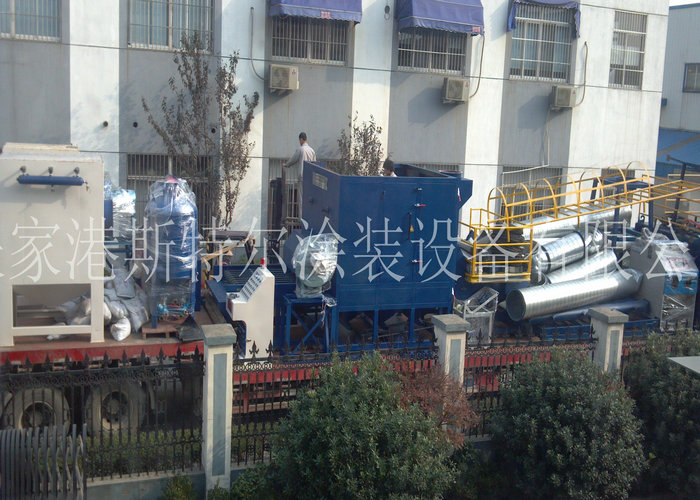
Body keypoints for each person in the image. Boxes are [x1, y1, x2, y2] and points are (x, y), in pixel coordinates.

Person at [283, 132, 316, 222]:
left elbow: (293, 159)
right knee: (309, 198)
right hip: (310, 178)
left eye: (299, 140)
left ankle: (301, 218)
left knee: (301, 198)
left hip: (302, 176)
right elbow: (315, 164)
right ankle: (310, 217)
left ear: (301, 139)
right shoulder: (312, 151)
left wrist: (286, 165)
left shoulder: (301, 149)